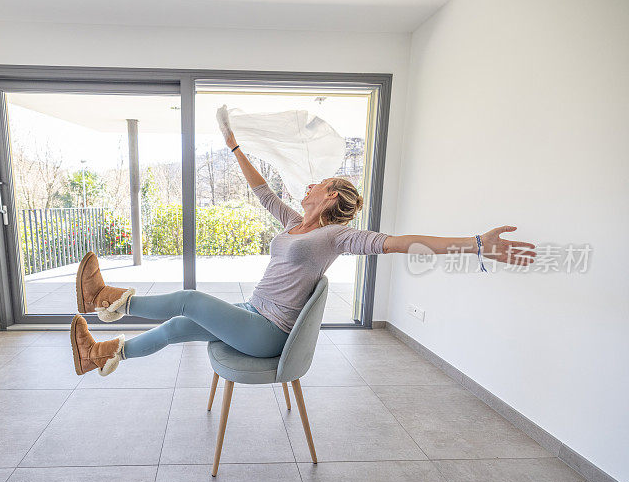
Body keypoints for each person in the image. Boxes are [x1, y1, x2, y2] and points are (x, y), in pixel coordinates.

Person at [69, 127, 536, 376]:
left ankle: (106, 301)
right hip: (252, 312)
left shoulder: (335, 238)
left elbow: (397, 244)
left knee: (190, 298)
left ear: (331, 196)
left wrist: (475, 244)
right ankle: (104, 356)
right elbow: (262, 191)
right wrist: (233, 147)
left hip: (268, 333)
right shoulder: (296, 222)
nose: (309, 186)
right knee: (176, 326)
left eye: (319, 183)